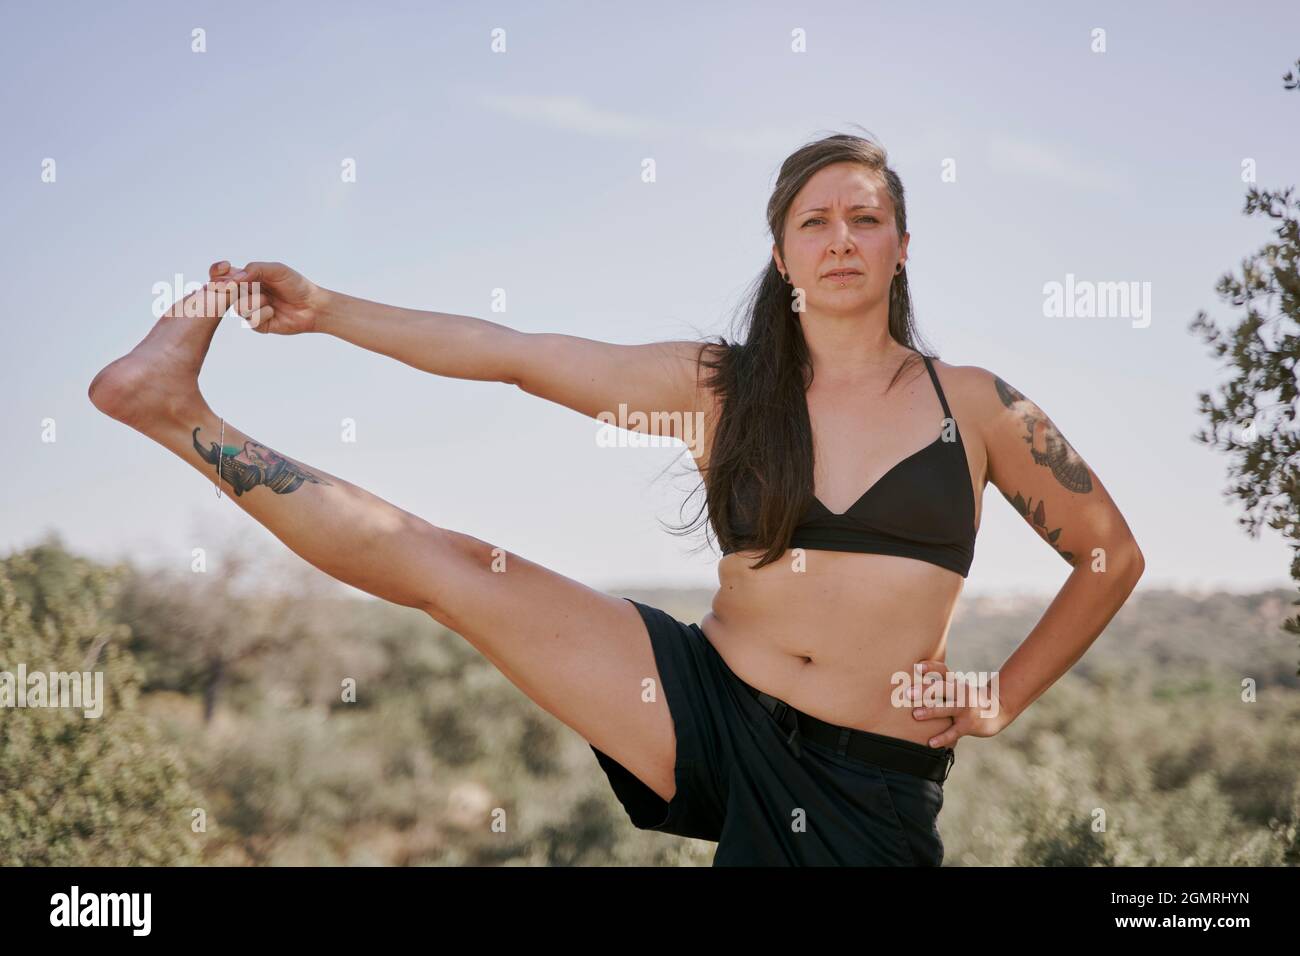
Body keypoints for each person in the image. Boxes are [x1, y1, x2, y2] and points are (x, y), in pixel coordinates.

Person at [88, 131, 1144, 866]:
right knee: (447, 566)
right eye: (812, 222)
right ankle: (172, 408)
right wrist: (325, 308)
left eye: (863, 220)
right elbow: (514, 354)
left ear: (900, 244)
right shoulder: (720, 389)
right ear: (781, 254)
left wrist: (1003, 695)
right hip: (706, 704)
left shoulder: (979, 407)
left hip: (870, 784)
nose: (838, 240)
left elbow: (1108, 554)